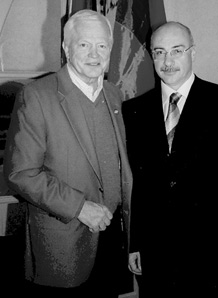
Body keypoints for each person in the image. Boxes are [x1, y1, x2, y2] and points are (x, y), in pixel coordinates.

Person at [3, 9, 132, 298]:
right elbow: (20, 175)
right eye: (84, 44)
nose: (94, 54)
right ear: (65, 47)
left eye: (102, 45)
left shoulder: (114, 94)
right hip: (64, 244)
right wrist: (80, 207)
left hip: (111, 241)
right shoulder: (37, 95)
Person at [122, 21, 218, 298]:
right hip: (156, 250)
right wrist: (136, 243)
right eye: (159, 52)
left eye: (177, 50)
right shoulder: (134, 110)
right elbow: (138, 184)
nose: (168, 61)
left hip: (212, 248)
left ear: (193, 52)